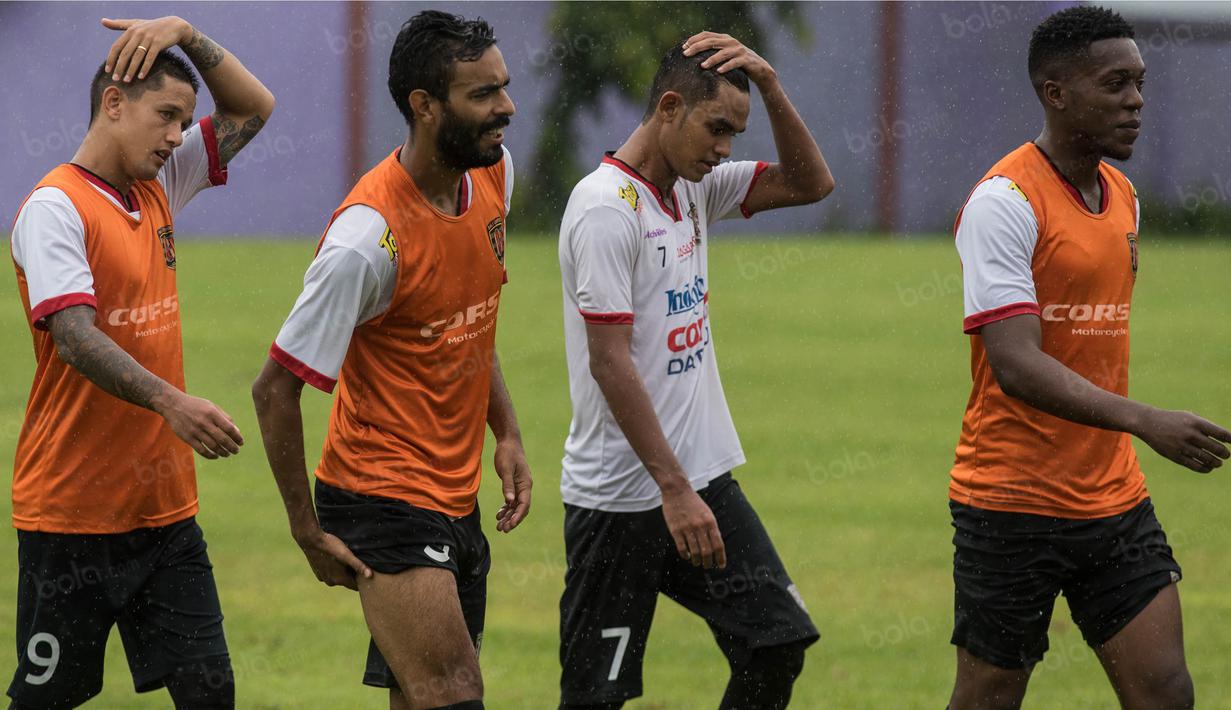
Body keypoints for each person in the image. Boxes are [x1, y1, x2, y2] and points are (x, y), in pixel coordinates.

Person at [947, 6, 1231, 709]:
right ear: (1056, 92)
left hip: (1112, 498)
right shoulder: (1003, 202)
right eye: (1115, 84)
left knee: (1164, 692)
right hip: (1009, 502)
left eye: (1138, 83)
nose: (1134, 101)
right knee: (988, 696)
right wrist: (1145, 420)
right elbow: (1015, 364)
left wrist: (1128, 436)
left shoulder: (1122, 196)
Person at [251, 11, 529, 710]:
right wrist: (306, 531)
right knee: (454, 694)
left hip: (453, 491)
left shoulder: (493, 174)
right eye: (483, 94)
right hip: (381, 494)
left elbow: (467, 320)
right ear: (424, 106)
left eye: (503, 86)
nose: (506, 107)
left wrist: (508, 434)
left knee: (418, 698)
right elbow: (274, 390)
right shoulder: (365, 242)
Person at [555, 32, 834, 710]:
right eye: (717, 129)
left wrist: (769, 87)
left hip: (702, 485)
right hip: (621, 500)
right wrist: (671, 490)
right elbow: (609, 361)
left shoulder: (691, 189)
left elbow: (811, 182)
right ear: (669, 107)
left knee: (775, 642)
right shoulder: (603, 210)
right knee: (596, 697)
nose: (725, 151)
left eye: (735, 134)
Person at [6, 15, 274, 709]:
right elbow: (74, 335)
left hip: (164, 515)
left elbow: (253, 108)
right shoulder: (53, 208)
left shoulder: (157, 187)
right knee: (47, 703)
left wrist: (185, 33)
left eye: (185, 121)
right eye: (166, 116)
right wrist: (172, 402)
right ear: (113, 104)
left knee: (210, 693)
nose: (178, 137)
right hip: (69, 519)